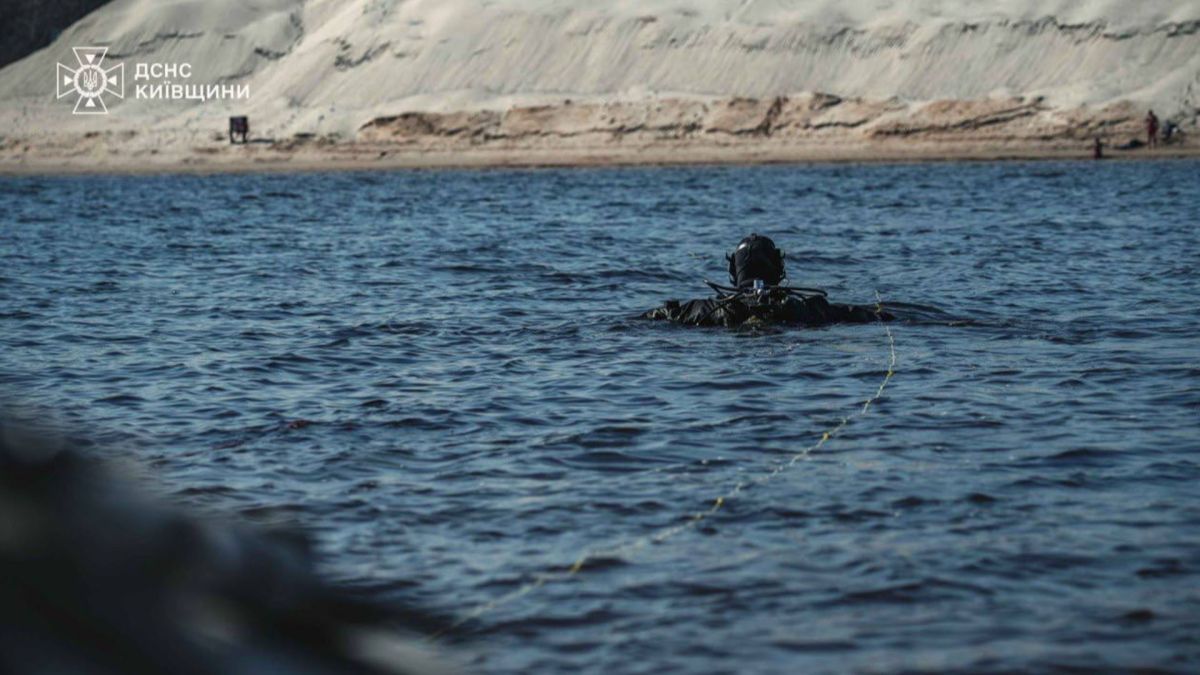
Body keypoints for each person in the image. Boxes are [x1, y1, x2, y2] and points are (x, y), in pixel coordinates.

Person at [642, 233, 892, 327]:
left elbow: (660, 315)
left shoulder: (706, 309)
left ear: (733, 270)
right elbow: (857, 314)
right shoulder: (806, 307)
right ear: (778, 268)